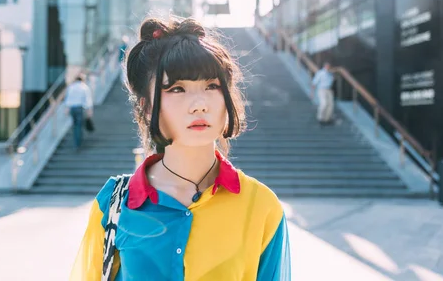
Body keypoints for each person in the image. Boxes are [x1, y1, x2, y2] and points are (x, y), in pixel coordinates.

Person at [71, 16, 291, 280]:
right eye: (177, 89)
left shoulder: (260, 206)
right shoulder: (115, 203)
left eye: (212, 86)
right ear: (147, 106)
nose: (199, 104)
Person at [64, 74, 93, 148]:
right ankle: (78, 142)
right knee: (79, 125)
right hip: (80, 108)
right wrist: (89, 110)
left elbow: (68, 99)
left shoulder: (71, 87)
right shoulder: (84, 87)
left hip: (72, 108)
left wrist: (66, 109)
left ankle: (76, 142)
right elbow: (88, 100)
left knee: (75, 125)